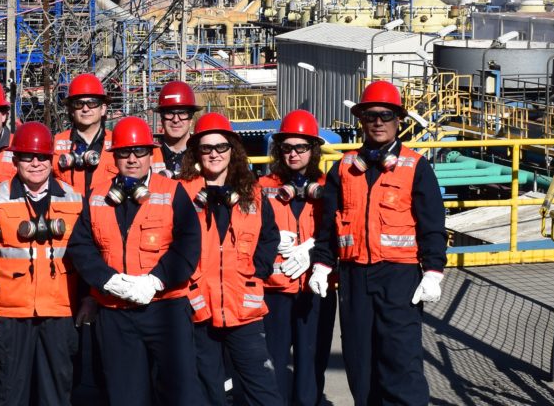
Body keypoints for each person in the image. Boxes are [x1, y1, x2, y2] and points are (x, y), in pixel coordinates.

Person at [311, 80, 447, 406]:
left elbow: (432, 224)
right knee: (360, 360)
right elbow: (328, 224)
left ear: (398, 120)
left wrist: (433, 271)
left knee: (400, 358)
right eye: (371, 115)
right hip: (355, 276)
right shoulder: (343, 168)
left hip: (399, 276)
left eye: (386, 115)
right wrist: (321, 263)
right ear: (361, 120)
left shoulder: (416, 167)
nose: (378, 122)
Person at [67, 116, 203, 405]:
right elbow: (81, 246)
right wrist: (109, 281)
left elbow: (189, 243)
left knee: (180, 393)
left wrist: (156, 281)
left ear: (150, 153)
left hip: (165, 308)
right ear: (114, 156)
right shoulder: (96, 196)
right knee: (125, 395)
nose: (131, 159)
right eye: (124, 152)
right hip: (116, 312)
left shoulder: (172, 191)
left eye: (139, 151)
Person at [0, 122, 85, 406]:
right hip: (11, 314)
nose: (35, 163)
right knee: (10, 392)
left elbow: (89, 256)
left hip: (60, 313)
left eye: (42, 156)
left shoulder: (74, 199)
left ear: (51, 159)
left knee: (56, 393)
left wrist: (90, 299)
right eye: (27, 157)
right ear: (16, 160)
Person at [178, 112, 281, 406]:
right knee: (208, 390)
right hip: (199, 308)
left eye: (221, 147)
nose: (214, 154)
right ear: (196, 152)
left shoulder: (253, 193)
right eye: (206, 148)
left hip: (243, 309)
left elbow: (269, 237)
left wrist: (255, 273)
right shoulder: (181, 193)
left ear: (232, 150)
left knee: (261, 388)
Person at [260, 110, 335, 406]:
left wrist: (312, 251)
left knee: (311, 362)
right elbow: (248, 235)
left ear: (313, 150)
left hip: (314, 290)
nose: (293, 154)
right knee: (272, 362)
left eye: (300, 147)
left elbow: (341, 234)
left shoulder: (330, 190)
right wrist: (272, 240)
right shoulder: (262, 188)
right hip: (274, 289)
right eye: (287, 148)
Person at [52, 73, 117, 198]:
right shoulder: (55, 144)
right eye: (78, 104)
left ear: (103, 109)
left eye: (92, 103)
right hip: (69, 215)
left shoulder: (118, 142)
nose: (85, 109)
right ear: (71, 110)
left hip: (104, 213)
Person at [152, 80, 200, 178]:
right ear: (162, 119)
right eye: (169, 113)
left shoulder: (203, 154)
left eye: (182, 113)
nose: (176, 120)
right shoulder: (148, 156)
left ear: (191, 119)